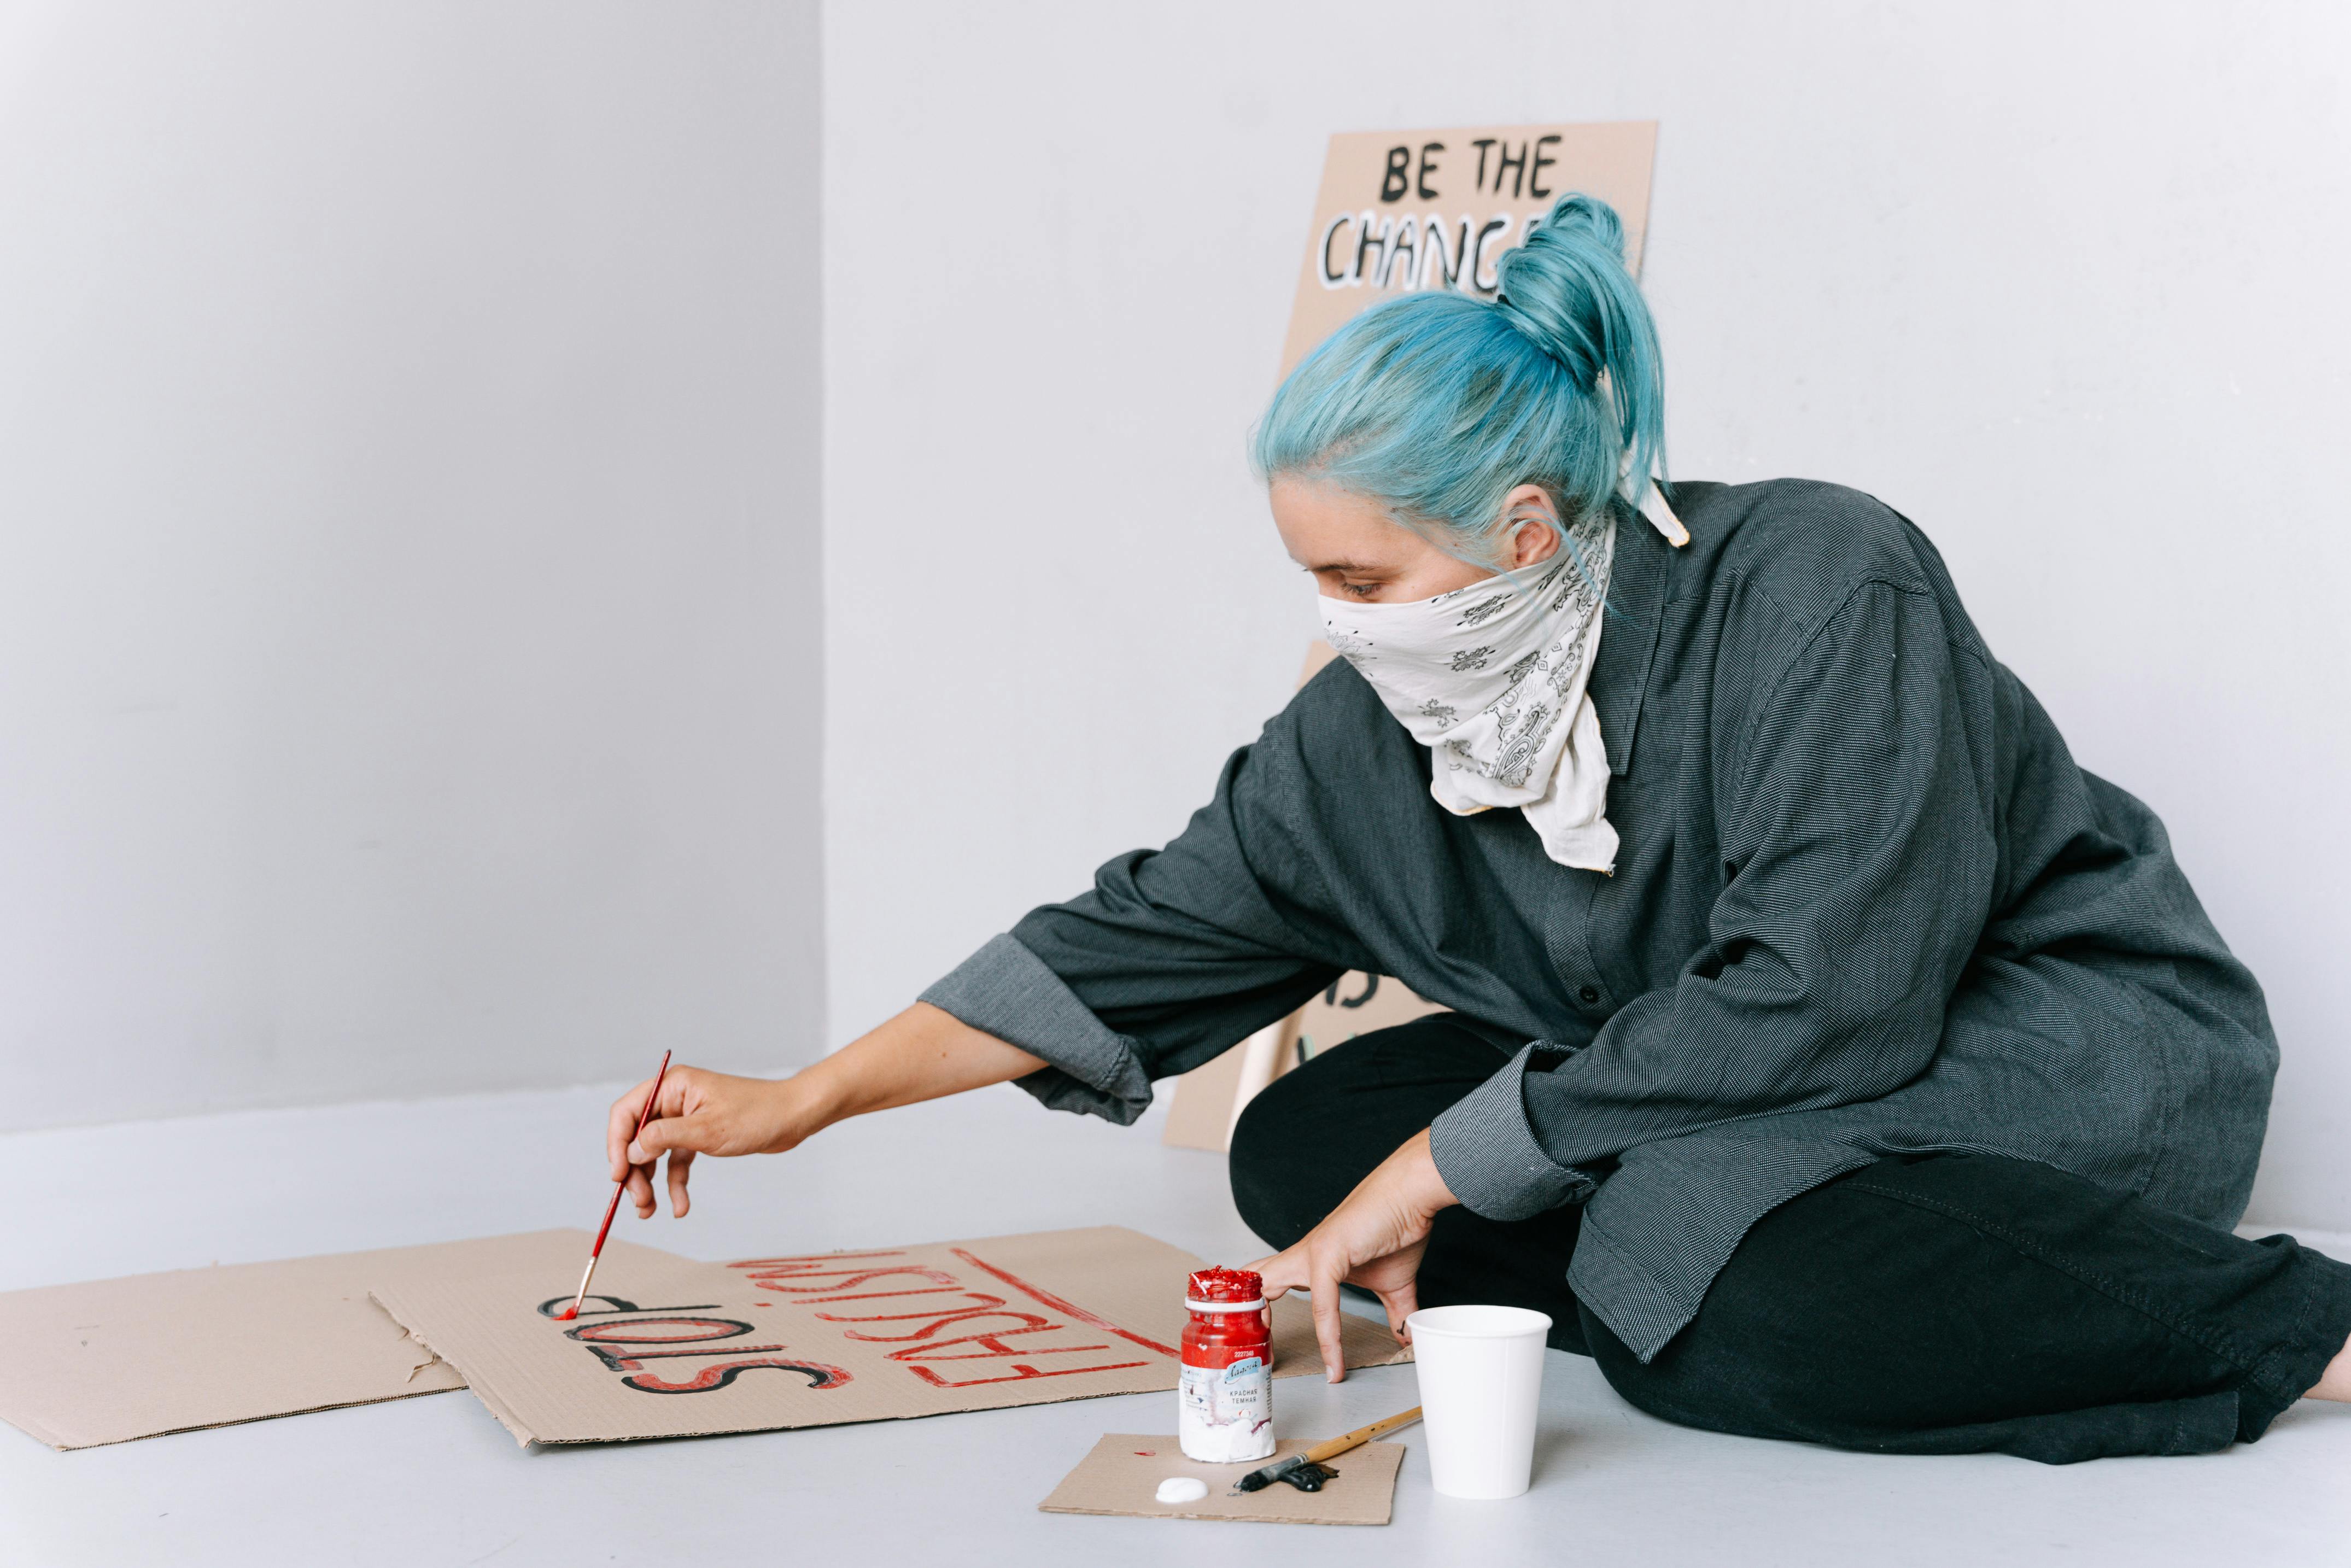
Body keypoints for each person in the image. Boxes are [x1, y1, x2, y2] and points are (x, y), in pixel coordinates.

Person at [604, 193, 2351, 1465]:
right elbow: (1143, 933)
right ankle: (1672, 1230)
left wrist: (1459, 1168)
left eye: (1359, 575)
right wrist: (801, 1096)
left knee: (1715, 1302)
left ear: (1524, 532)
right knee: (1304, 1144)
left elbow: (1834, 996)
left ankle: (2295, 1331)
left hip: (2037, 1047)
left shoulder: (1822, 580)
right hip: (1712, 1081)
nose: (1339, 621)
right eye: (1311, 580)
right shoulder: (1364, 729)